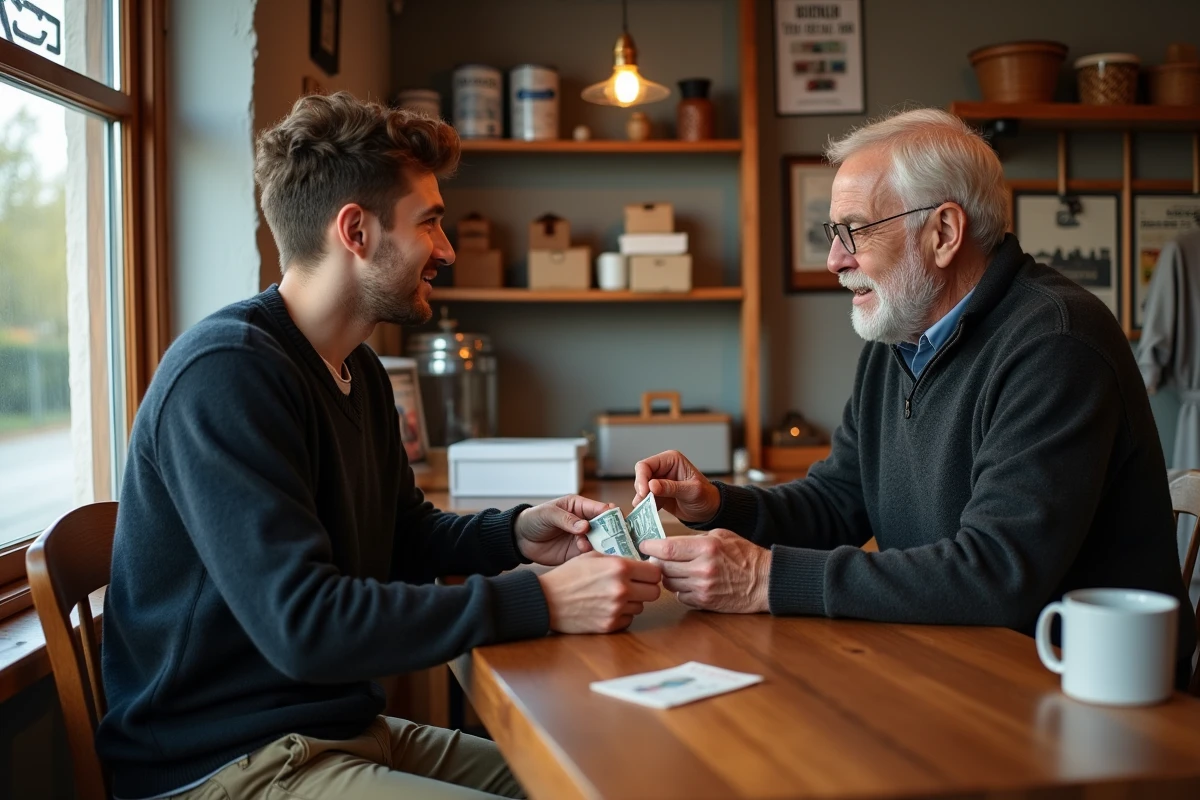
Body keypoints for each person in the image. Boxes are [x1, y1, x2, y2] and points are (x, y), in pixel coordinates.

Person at [97, 92, 662, 800]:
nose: (448, 251)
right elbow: (305, 626)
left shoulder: (355, 367)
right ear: (355, 231)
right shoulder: (227, 374)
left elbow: (402, 535)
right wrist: (542, 601)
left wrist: (517, 534)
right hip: (230, 765)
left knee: (605, 779)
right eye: (430, 223)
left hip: (334, 731)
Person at [635, 108, 1197, 685]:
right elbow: (837, 502)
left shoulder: (1057, 343)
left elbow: (998, 574)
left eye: (855, 230)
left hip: (1081, 689)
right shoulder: (899, 338)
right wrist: (718, 505)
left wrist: (764, 578)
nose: (835, 260)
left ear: (944, 234)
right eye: (834, 233)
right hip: (953, 661)